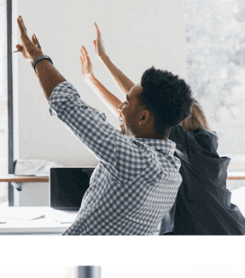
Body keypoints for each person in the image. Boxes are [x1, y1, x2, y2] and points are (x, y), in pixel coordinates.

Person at [15, 15, 190, 236]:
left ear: (144, 118)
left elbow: (69, 106)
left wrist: (38, 58)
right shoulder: (171, 171)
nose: (120, 109)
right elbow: (98, 122)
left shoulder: (137, 161)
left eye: (126, 103)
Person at [81, 23, 245, 236]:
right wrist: (91, 79)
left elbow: (143, 105)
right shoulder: (181, 152)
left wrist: (105, 61)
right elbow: (130, 114)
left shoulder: (197, 149)